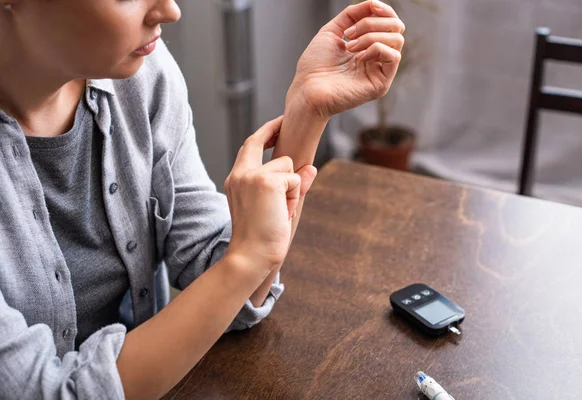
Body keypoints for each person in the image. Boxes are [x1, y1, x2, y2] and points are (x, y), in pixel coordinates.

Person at [0, 0, 404, 398]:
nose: (170, 10)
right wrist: (245, 259)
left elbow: (232, 290)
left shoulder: (145, 77)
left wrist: (308, 111)